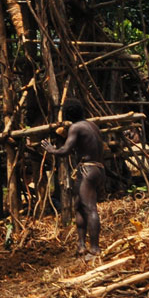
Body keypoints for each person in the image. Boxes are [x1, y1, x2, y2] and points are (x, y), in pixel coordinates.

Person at [42, 100, 107, 259]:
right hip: (97, 169)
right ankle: (81, 246)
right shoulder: (92, 126)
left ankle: (95, 249)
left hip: (87, 170)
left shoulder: (76, 127)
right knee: (78, 206)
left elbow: (64, 150)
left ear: (67, 115)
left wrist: (51, 150)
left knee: (90, 207)